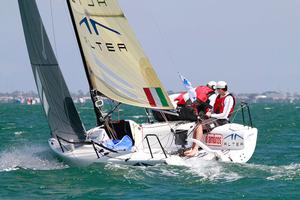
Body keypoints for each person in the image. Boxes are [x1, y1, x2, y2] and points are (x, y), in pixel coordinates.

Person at [184, 81, 236, 157]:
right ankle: (193, 147)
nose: (216, 91)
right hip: (214, 118)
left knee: (200, 125)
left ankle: (195, 149)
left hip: (222, 120)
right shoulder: (219, 96)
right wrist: (208, 113)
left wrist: (211, 115)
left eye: (218, 89)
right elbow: (214, 109)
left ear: (222, 89)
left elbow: (225, 115)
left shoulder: (229, 98)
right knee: (197, 123)